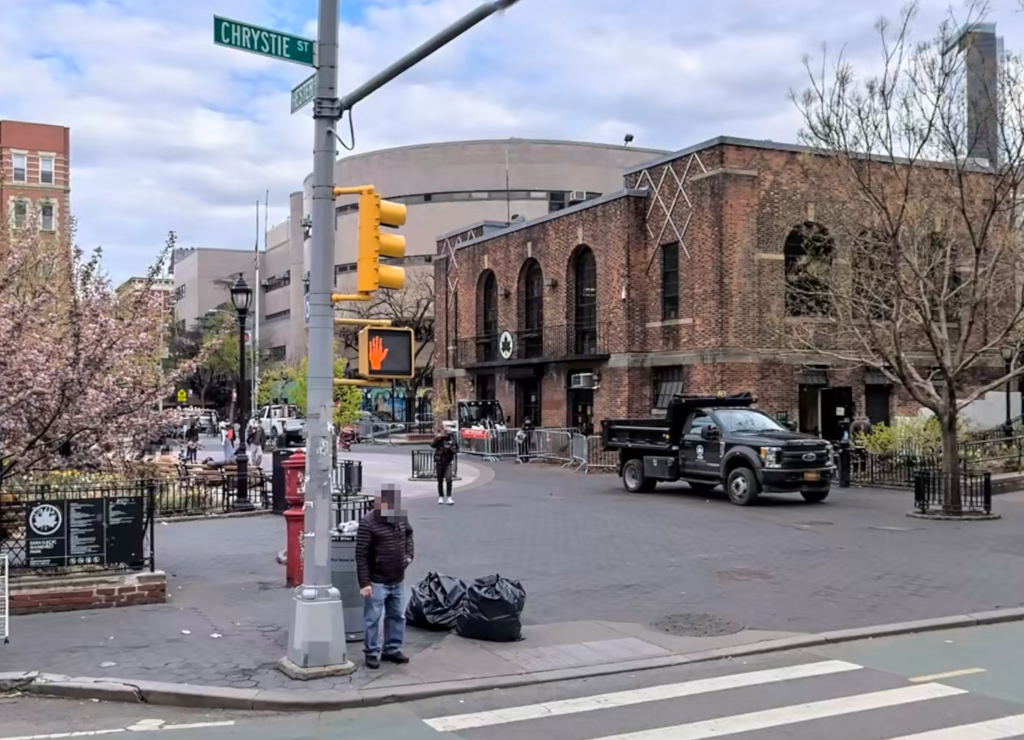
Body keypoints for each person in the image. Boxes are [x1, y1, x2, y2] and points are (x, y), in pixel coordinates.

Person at [355, 484, 415, 670]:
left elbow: (408, 534)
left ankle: (392, 649)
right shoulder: (368, 522)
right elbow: (361, 554)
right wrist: (364, 583)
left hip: (397, 577)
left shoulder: (400, 516)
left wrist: (408, 556)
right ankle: (372, 652)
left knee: (397, 616)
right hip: (377, 580)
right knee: (373, 618)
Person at [431, 430, 458, 506]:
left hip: (448, 463)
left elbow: (456, 449)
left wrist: (450, 448)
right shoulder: (439, 440)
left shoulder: (452, 440)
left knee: (449, 479)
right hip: (439, 462)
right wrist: (436, 439)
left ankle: (449, 497)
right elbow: (432, 445)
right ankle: (441, 496)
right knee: (440, 480)